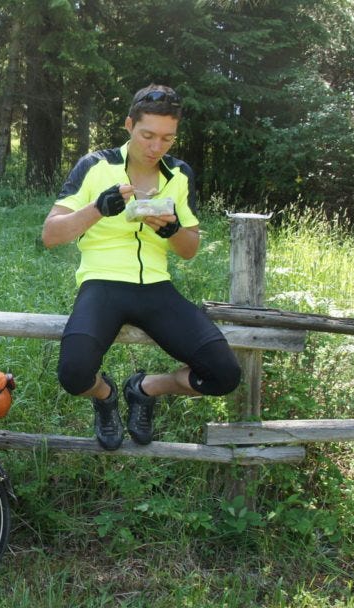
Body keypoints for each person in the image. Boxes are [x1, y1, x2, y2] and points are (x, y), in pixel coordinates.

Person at [41, 84, 241, 450]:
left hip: (156, 286)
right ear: (129, 125)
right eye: (147, 135)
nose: (156, 147)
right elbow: (51, 235)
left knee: (224, 375)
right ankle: (105, 396)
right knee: (73, 374)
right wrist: (98, 208)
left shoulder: (179, 174)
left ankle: (144, 388)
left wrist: (172, 229)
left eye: (167, 138)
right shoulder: (95, 165)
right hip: (102, 282)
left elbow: (189, 249)